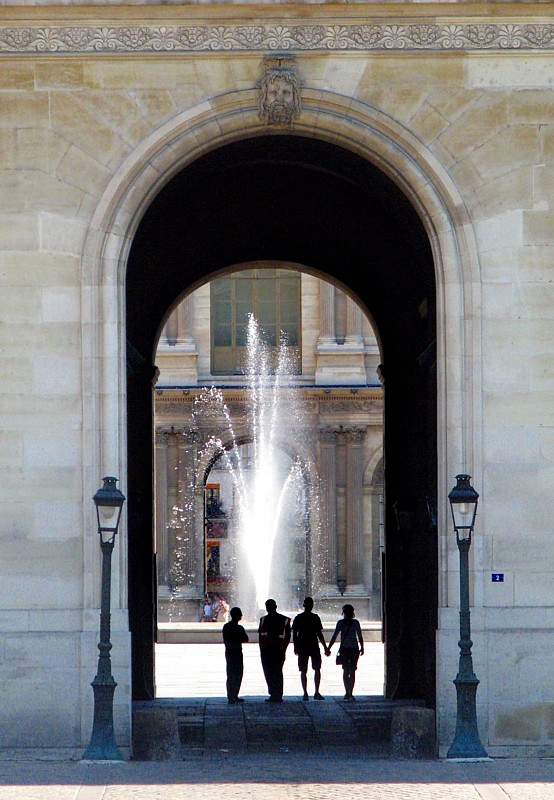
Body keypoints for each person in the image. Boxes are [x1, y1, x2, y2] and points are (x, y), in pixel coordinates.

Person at [292, 596, 329, 701]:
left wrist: (295, 646)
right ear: (312, 606)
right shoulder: (315, 617)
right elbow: (319, 634)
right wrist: (325, 647)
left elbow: (294, 634)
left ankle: (305, 693)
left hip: (303, 645)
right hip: (313, 645)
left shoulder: (299, 618)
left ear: (303, 605)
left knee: (303, 670)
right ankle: (316, 692)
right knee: (317, 669)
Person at [326, 604, 364, 701]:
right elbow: (359, 636)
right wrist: (362, 647)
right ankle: (350, 692)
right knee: (352, 671)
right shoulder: (356, 623)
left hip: (344, 649)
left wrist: (328, 648)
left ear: (343, 612)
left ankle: (347, 691)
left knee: (345, 670)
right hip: (354, 649)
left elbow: (334, 636)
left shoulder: (340, 623)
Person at [258, 598, 291, 702]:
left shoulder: (284, 620)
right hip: (268, 651)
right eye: (268, 607)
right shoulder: (263, 620)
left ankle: (277, 694)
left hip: (277, 650)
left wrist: (283, 649)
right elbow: (261, 636)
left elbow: (287, 636)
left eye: (270, 607)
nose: (269, 609)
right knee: (269, 672)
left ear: (275, 607)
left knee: (276, 672)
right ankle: (273, 693)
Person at [222, 606, 249, 704]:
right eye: (240, 613)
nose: (241, 615)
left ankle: (233, 695)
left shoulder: (228, 627)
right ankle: (232, 696)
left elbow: (245, 639)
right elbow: (244, 638)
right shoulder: (237, 628)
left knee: (235, 674)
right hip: (234, 652)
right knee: (234, 674)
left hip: (233, 652)